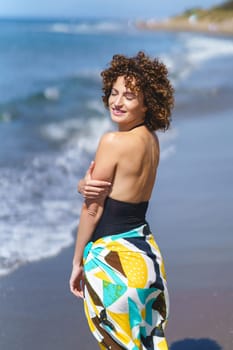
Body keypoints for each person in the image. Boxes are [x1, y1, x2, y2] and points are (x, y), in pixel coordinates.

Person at [70, 51, 174, 350]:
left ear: (147, 103)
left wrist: (77, 262)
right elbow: (112, 190)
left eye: (129, 96)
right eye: (114, 93)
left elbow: (93, 208)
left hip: (114, 263)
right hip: (147, 259)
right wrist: (83, 185)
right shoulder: (151, 140)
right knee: (148, 342)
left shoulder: (112, 142)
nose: (117, 102)